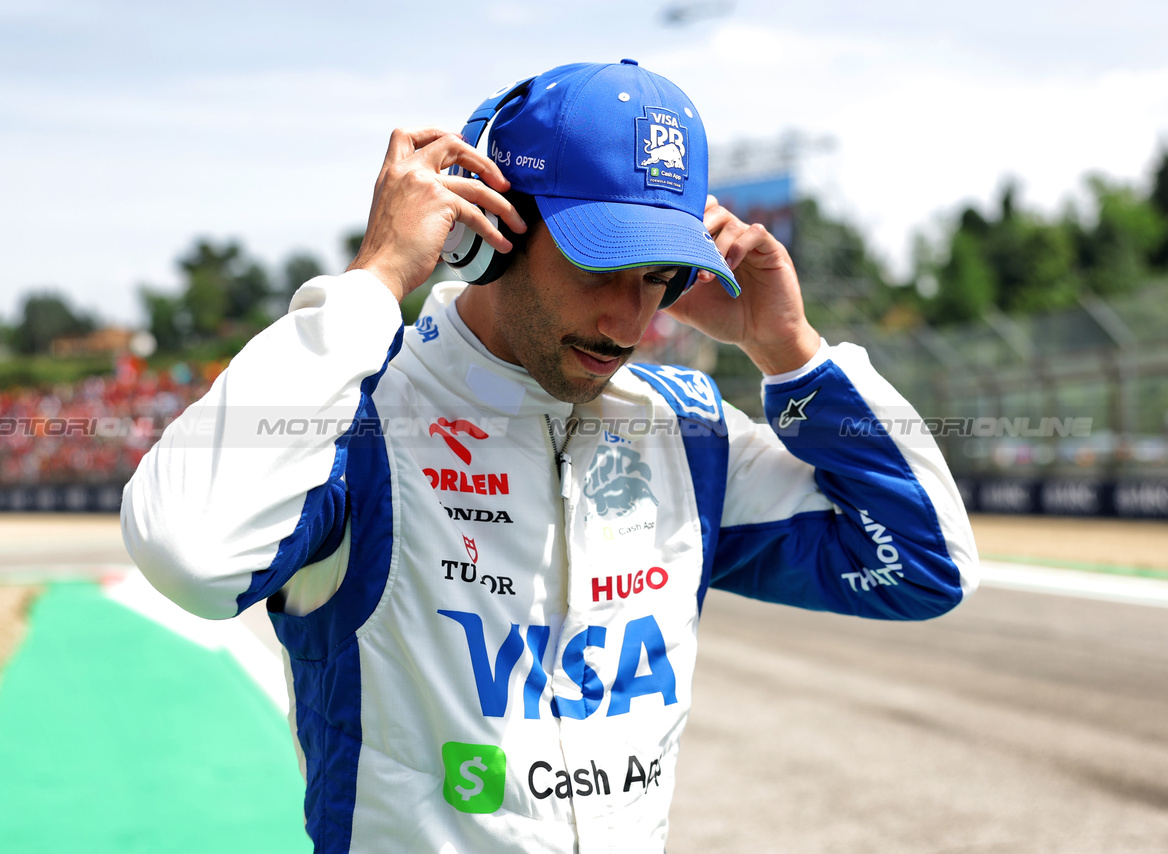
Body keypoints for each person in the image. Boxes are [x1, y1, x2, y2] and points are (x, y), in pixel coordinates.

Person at [121, 59, 979, 853]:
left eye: (659, 277)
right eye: (601, 265)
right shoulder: (363, 415)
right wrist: (376, 280)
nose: (630, 322)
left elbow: (924, 566)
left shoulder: (686, 432)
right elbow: (190, 555)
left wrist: (793, 353)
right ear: (491, 230)